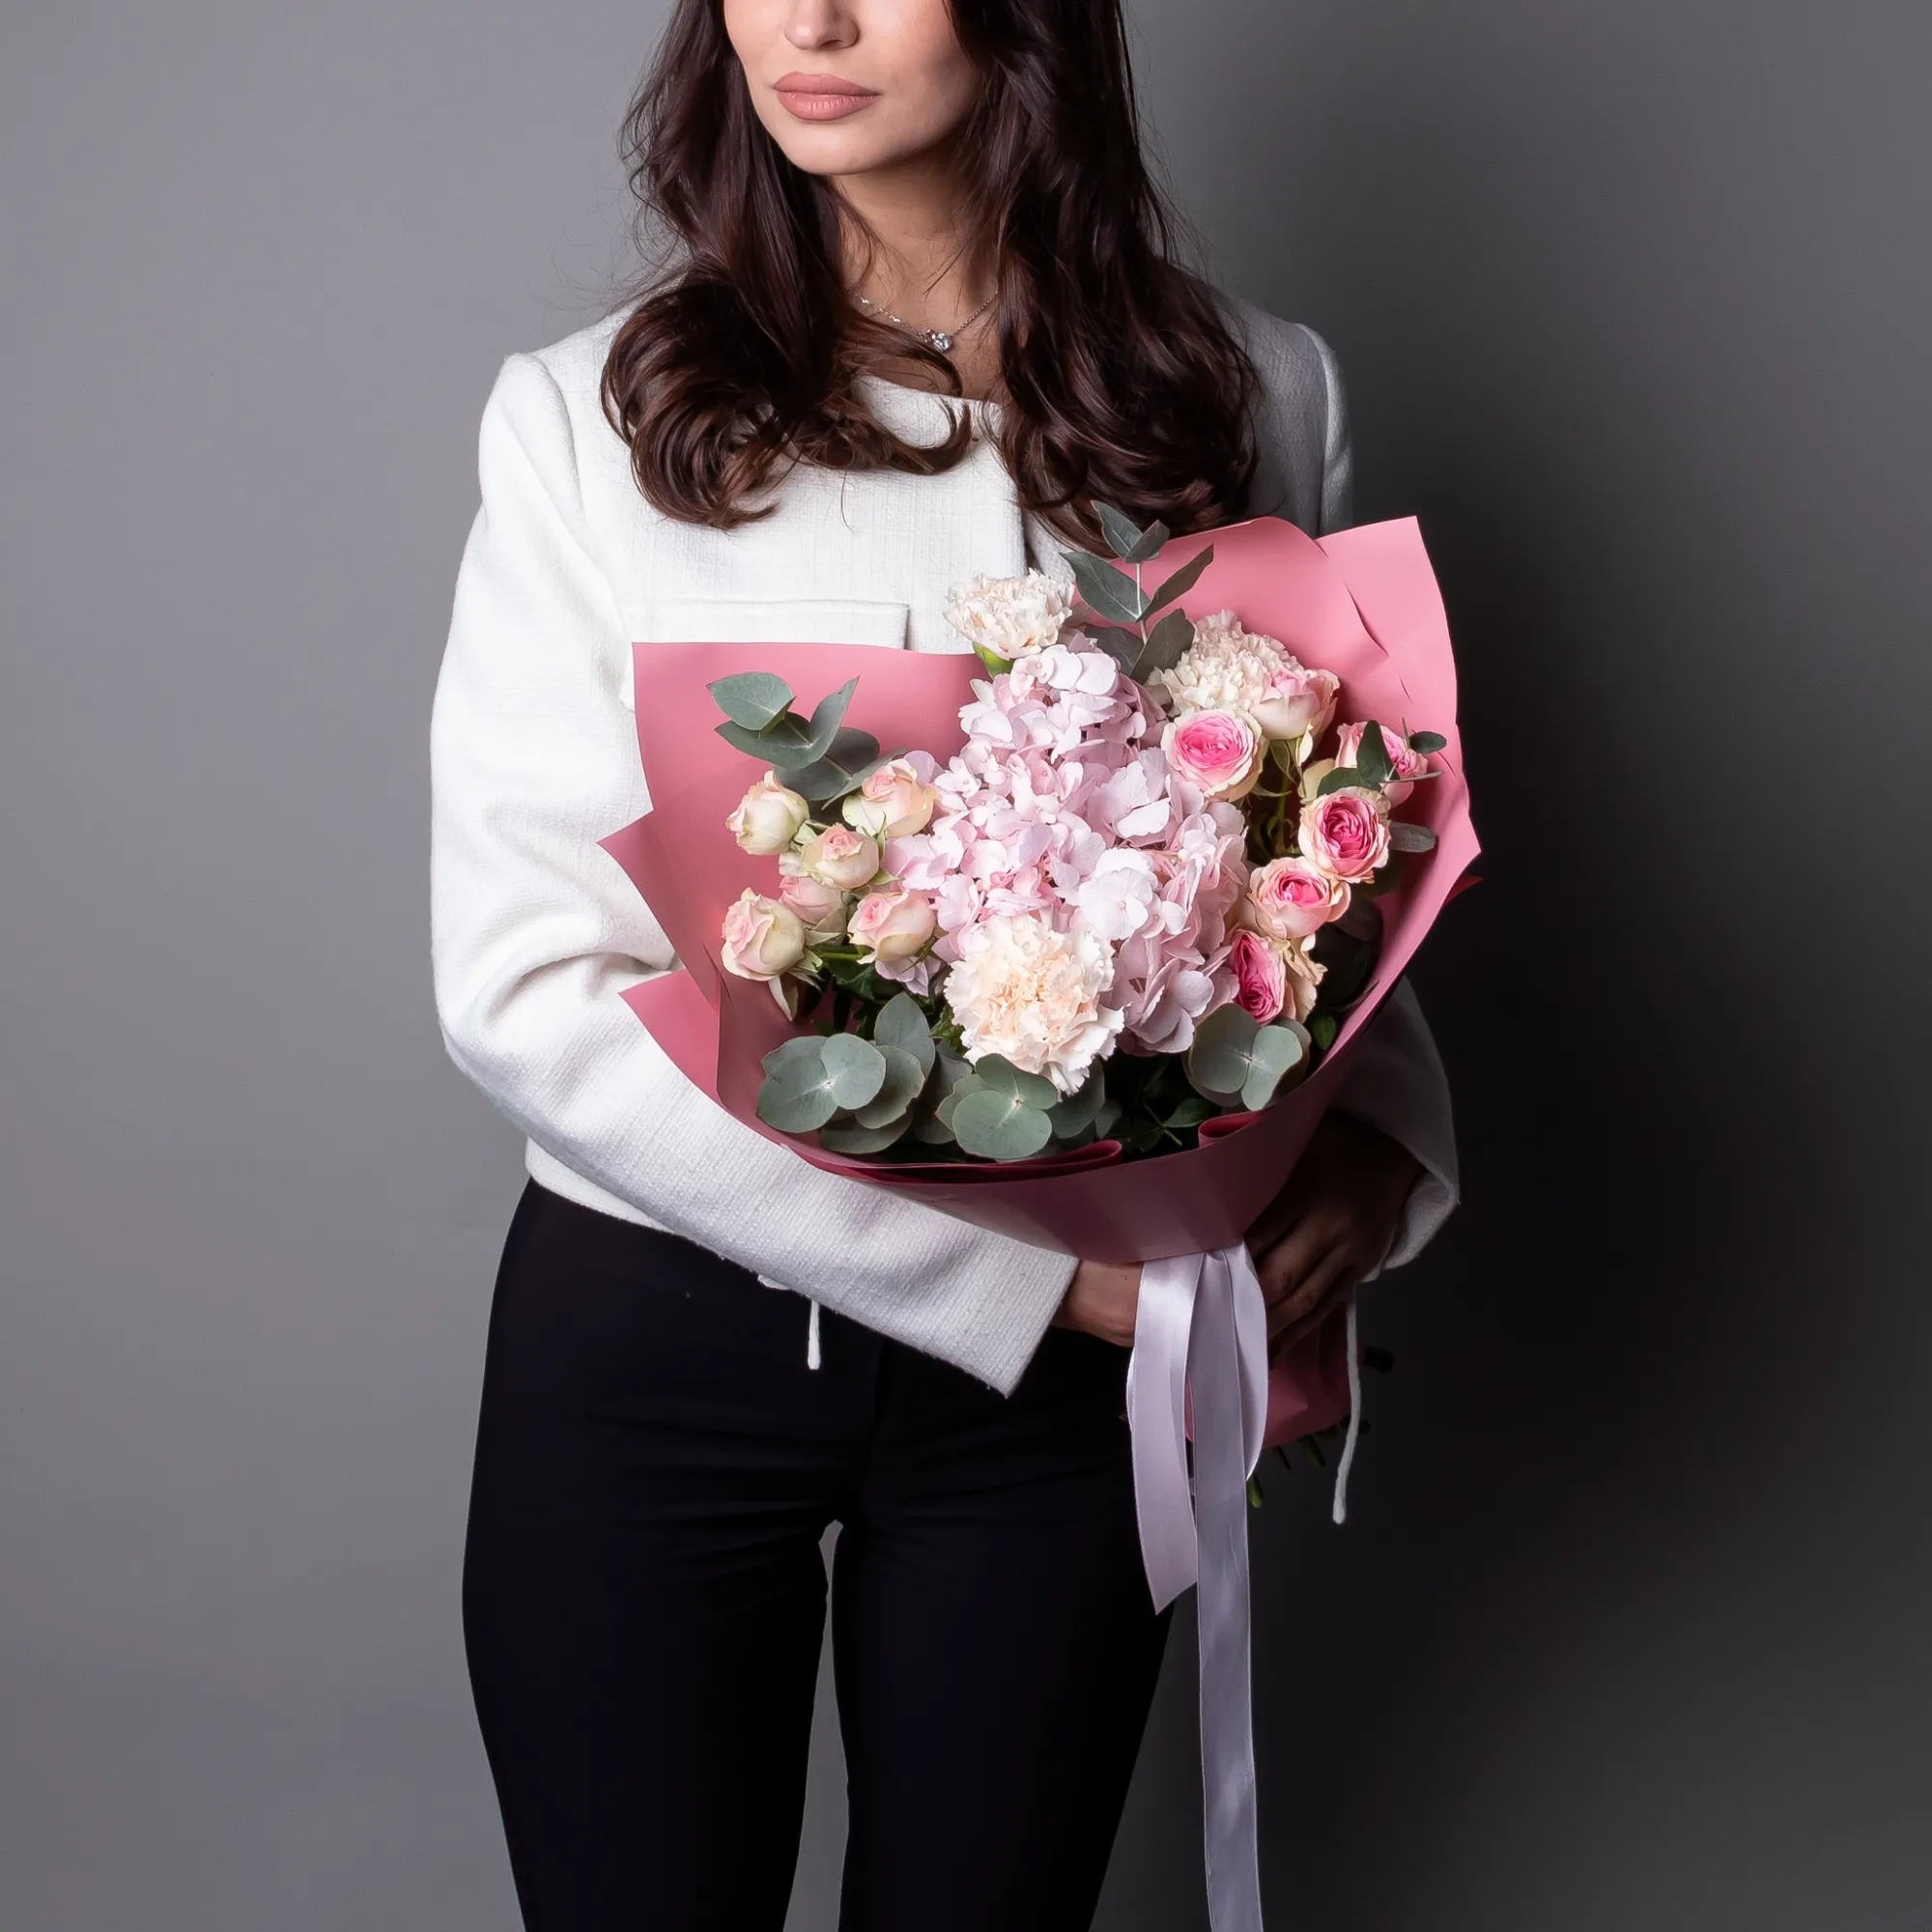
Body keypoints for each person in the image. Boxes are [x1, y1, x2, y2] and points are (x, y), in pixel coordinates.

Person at [431, 1, 1458, 1925]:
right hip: (666, 1342)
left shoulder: (1252, 386)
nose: (808, 22)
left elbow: (1339, 829)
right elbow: (523, 985)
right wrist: (1031, 1280)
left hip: (1061, 1412)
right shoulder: (585, 415)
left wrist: (1376, 1144)